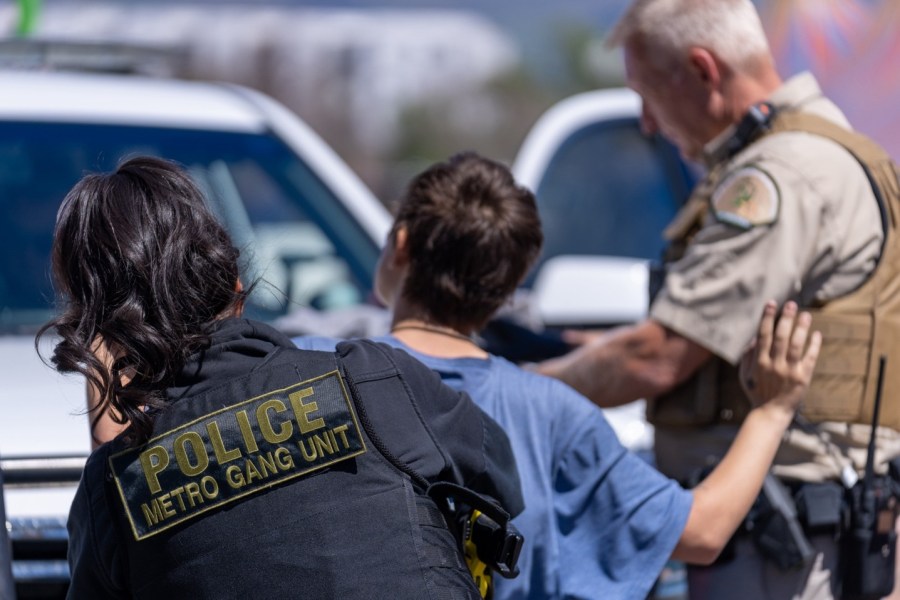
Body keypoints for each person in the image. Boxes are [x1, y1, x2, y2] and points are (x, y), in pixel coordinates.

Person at [295, 152, 822, 600]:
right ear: (510, 287)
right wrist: (773, 410)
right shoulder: (550, 413)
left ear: (402, 243)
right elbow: (703, 530)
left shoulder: (303, 371)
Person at [535, 1, 900, 598]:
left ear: (704, 70)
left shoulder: (780, 175)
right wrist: (595, 348)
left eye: (647, 93)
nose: (647, 122)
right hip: (804, 530)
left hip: (779, 544)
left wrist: (518, 387)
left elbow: (659, 355)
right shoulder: (824, 149)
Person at [38, 156, 524, 599]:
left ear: (101, 338)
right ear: (235, 284)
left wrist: (113, 450)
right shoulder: (373, 380)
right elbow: (501, 478)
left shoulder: (114, 490)